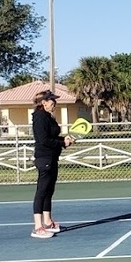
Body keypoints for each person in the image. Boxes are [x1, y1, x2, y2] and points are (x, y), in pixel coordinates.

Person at [30, 90, 75, 238]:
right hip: (44, 158)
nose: (54, 103)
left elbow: (52, 136)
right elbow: (43, 140)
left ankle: (48, 222)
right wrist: (62, 142)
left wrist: (64, 140)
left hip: (52, 157)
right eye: (51, 101)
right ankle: (38, 226)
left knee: (49, 190)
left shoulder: (48, 117)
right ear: (44, 102)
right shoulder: (40, 117)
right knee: (41, 191)